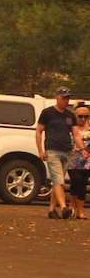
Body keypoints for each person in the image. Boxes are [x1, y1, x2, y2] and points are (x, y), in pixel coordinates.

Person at [36, 87, 85, 219]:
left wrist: (82, 149)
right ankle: (64, 207)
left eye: (68, 98)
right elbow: (39, 131)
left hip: (66, 151)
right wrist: (40, 149)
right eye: (63, 97)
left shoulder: (70, 115)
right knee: (58, 180)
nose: (66, 100)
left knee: (58, 181)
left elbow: (76, 134)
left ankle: (52, 209)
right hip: (52, 150)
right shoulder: (47, 113)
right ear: (56, 97)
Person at [67, 105, 90, 219]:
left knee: (83, 184)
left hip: (87, 161)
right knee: (75, 181)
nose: (83, 119)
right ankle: (72, 205)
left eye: (86, 116)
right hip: (73, 159)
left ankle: (80, 211)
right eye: (80, 116)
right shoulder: (70, 127)